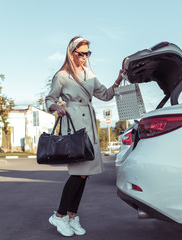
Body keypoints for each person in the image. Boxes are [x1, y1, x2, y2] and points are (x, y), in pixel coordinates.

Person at [45, 36, 125, 237]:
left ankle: (72, 215)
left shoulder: (89, 73)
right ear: (71, 53)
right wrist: (57, 108)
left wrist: (117, 80)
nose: (85, 57)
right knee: (78, 172)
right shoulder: (62, 76)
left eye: (87, 53)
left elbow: (105, 95)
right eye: (81, 54)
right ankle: (60, 215)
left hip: (89, 123)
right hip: (73, 123)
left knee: (84, 173)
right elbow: (49, 99)